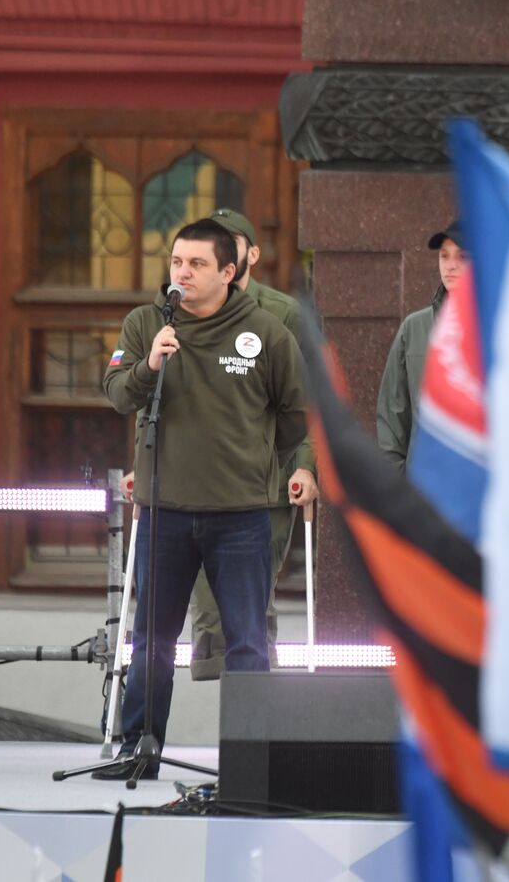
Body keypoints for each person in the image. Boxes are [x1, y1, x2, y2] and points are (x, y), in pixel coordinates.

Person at [97, 218, 306, 779]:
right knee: (151, 642)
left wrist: (303, 467)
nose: (182, 275)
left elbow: (297, 419)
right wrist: (151, 364)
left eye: (196, 265)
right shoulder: (147, 325)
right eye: (176, 263)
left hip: (242, 516)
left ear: (229, 272)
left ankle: (251, 758)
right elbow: (118, 393)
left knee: (246, 644)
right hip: (165, 510)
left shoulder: (266, 333)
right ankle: (140, 749)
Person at [182, 207, 318, 681]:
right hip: (197, 481)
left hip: (266, 479)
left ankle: (254, 712)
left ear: (249, 254)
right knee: (209, 598)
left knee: (251, 593)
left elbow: (304, 403)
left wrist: (305, 466)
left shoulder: (282, 314)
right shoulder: (180, 310)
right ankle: (234, 705)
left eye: (230, 242)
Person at [376, 220, 469, 471]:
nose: (450, 265)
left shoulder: (499, 329)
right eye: (444, 256)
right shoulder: (414, 328)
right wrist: (400, 483)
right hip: (425, 489)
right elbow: (392, 416)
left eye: (462, 257)